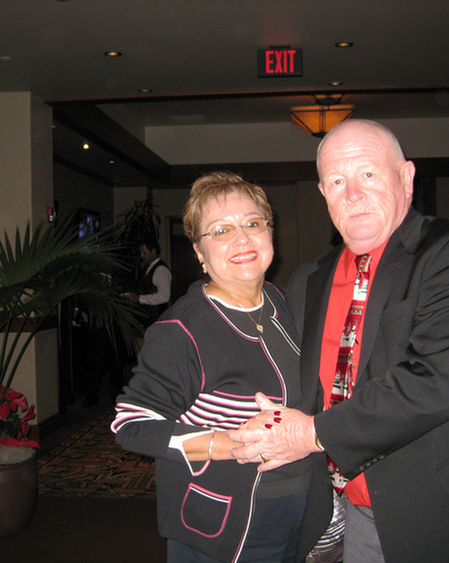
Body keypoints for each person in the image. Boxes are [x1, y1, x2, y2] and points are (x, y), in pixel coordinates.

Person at [228, 120, 449, 563]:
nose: (352, 193)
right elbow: (277, 375)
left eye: (369, 174)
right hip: (347, 512)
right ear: (323, 193)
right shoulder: (308, 280)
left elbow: (436, 382)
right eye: (337, 181)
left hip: (443, 511)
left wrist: (309, 432)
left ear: (407, 178)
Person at [112, 171, 330, 563]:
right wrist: (233, 445)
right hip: (227, 525)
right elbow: (132, 425)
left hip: (301, 504)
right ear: (198, 251)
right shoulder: (183, 329)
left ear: (270, 233)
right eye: (221, 230)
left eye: (252, 224)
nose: (241, 239)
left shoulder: (285, 304)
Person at [124, 239, 172, 327]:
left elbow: (164, 296)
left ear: (153, 251)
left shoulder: (161, 270)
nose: (141, 256)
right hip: (150, 319)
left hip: (157, 319)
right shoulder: (150, 267)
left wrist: (139, 298)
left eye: (144, 252)